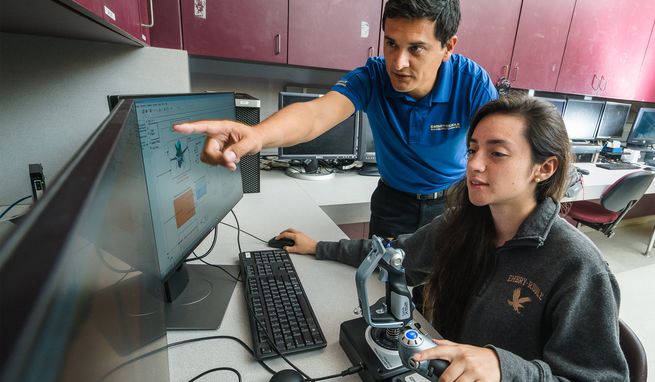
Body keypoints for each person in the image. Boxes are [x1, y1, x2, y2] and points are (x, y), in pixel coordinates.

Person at [274, 95, 629, 381]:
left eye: (497, 153)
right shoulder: (465, 223)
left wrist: (504, 368)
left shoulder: (577, 266)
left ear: (545, 168)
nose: (474, 164)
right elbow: (395, 256)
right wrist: (318, 247)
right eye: (473, 149)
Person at [173, 0, 498, 241]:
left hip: (456, 203)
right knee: (384, 292)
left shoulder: (472, 83)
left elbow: (500, 149)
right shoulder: (372, 77)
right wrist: (257, 136)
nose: (398, 62)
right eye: (392, 43)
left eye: (416, 49)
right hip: (393, 202)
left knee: (446, 297)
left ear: (447, 47)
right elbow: (316, 115)